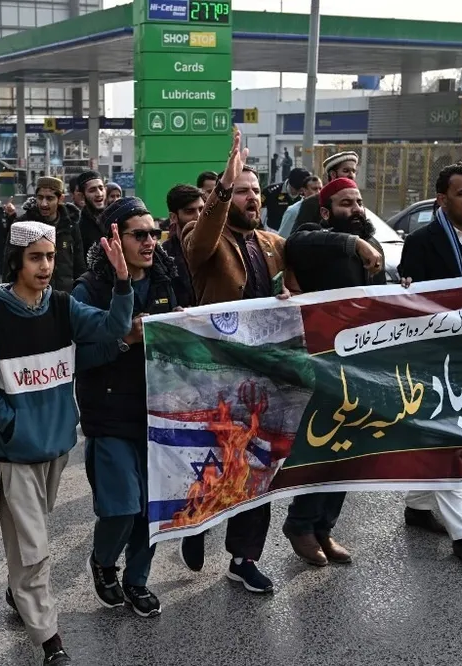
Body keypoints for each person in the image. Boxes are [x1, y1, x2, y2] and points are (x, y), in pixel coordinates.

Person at [0, 220, 134, 666]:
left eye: (50, 257)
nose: (45, 266)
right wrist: (12, 427)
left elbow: (115, 326)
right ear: (16, 261)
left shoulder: (62, 306)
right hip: (18, 453)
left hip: (58, 447)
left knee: (31, 535)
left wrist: (122, 280)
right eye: (35, 257)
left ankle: (18, 591)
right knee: (35, 548)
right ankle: (49, 639)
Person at [179, 129, 293, 594]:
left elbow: (304, 288)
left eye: (256, 190)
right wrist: (224, 185)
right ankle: (197, 521)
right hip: (216, 377)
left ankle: (244, 558)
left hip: (264, 379)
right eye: (243, 190)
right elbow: (203, 235)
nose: (253, 197)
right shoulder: (204, 240)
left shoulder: (273, 244)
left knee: (258, 469)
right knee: (212, 463)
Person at [73, 198, 176, 619]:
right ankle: (103, 562)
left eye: (154, 233)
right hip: (109, 416)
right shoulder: (89, 290)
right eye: (140, 234)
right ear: (114, 240)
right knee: (122, 507)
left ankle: (137, 580)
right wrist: (123, 341)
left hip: (158, 415)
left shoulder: (166, 280)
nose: (150, 242)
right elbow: (77, 357)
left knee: (151, 509)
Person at [397, 161, 462, 565]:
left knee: (451, 435)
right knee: (450, 438)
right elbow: (411, 303)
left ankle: (418, 507)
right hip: (436, 360)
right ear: (442, 199)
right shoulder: (422, 242)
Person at [282, 177, 384, 566]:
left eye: (359, 202)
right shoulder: (316, 238)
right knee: (323, 446)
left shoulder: (372, 245)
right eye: (346, 203)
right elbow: (296, 243)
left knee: (349, 451)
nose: (355, 209)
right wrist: (353, 243)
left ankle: (324, 527)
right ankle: (300, 524)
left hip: (364, 366)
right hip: (325, 364)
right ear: (326, 212)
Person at [7, 177, 86, 293]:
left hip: (64, 294)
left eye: (49, 198)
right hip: (31, 294)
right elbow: (9, 264)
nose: (44, 203)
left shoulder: (70, 225)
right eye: (40, 198)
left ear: (60, 199)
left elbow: (79, 264)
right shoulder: (23, 225)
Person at [279, 151, 360, 238]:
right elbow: (297, 238)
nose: (351, 175)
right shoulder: (311, 203)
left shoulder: (358, 203)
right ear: (333, 174)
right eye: (346, 171)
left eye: (354, 171)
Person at [162, 184, 203, 308]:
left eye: (202, 209)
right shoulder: (163, 256)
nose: (198, 216)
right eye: (190, 211)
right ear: (174, 217)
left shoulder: (221, 248)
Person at [74, 171, 108, 253]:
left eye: (101, 188)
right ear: (82, 196)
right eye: (92, 190)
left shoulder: (115, 219)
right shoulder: (78, 226)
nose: (99, 194)